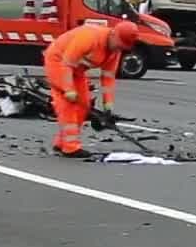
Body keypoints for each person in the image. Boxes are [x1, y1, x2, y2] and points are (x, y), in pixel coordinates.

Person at [43, 20, 139, 157]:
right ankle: (70, 148)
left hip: (76, 69)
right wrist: (68, 89)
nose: (119, 49)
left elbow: (108, 78)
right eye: (119, 44)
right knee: (69, 104)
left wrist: (108, 106)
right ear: (113, 34)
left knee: (85, 105)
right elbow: (66, 64)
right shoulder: (89, 37)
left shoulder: (114, 52)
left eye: (123, 47)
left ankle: (61, 143)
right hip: (58, 62)